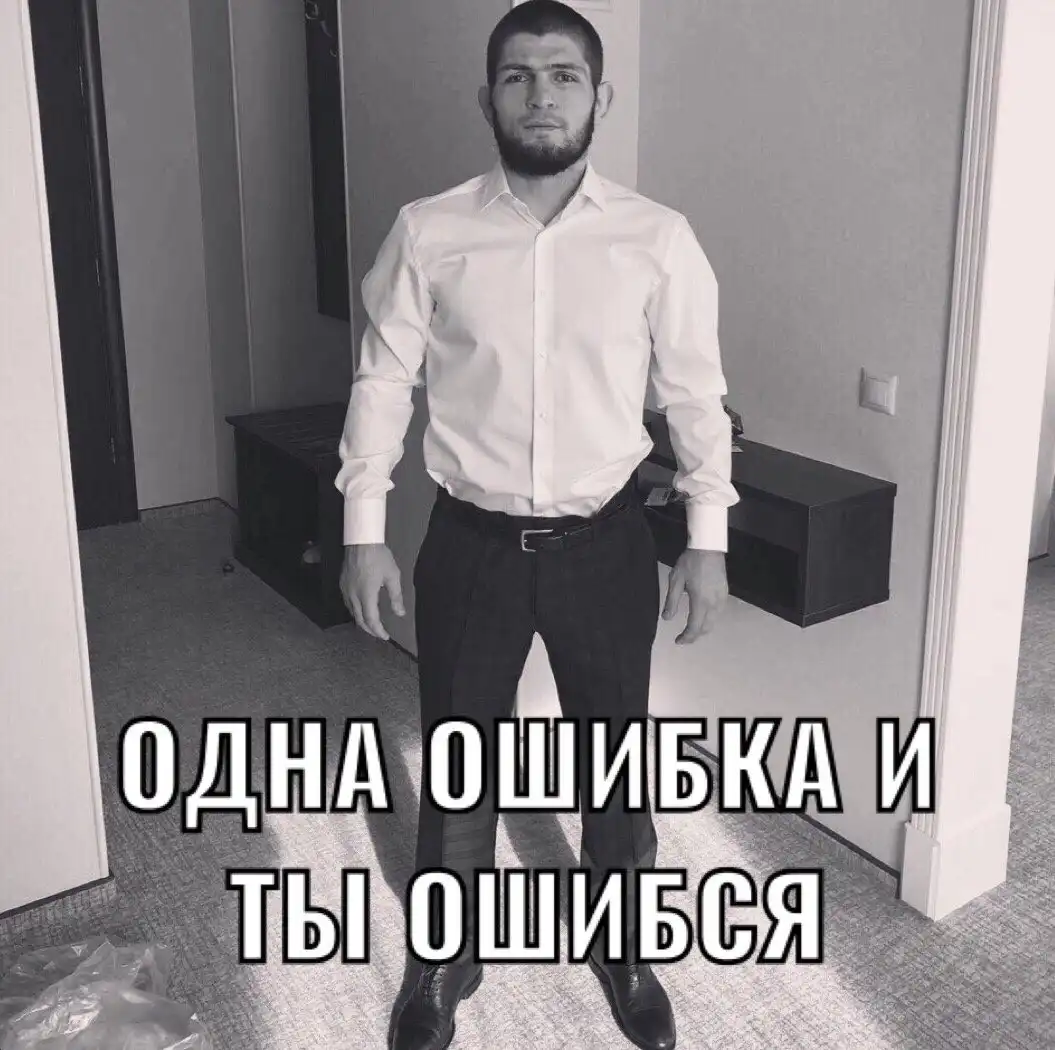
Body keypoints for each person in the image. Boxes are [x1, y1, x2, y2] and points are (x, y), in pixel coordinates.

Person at [335, 3, 739, 1047]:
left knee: (616, 756)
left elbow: (694, 398)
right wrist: (363, 529)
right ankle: (445, 955)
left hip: (606, 543)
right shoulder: (429, 230)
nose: (541, 96)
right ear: (488, 99)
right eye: (518, 76)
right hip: (468, 542)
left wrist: (705, 544)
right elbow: (382, 379)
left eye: (564, 76)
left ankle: (622, 943)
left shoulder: (657, 238)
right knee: (459, 753)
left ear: (600, 97)